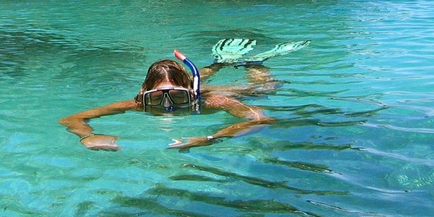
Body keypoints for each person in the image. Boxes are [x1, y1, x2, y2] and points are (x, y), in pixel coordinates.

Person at [59, 51, 279, 151]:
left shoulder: (213, 102)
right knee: (191, 78)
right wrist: (88, 136)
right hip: (190, 85)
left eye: (177, 96)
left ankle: (255, 63)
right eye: (156, 97)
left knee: (262, 89)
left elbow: (262, 119)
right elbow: (71, 118)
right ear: (144, 93)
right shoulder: (137, 104)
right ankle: (216, 64)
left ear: (191, 94)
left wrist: (211, 137)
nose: (168, 106)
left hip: (219, 91)